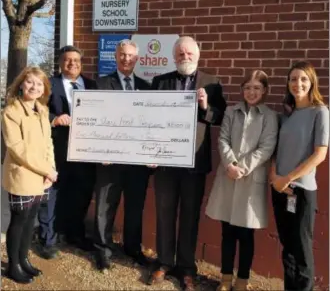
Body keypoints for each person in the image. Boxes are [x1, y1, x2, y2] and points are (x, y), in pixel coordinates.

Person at [148, 36, 227, 291]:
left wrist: (205, 106)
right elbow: (150, 119)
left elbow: (220, 117)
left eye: (189, 53)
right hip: (166, 163)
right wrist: (150, 152)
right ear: (174, 57)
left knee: (190, 216)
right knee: (165, 213)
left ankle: (186, 267)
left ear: (197, 55)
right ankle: (164, 262)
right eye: (180, 54)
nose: (185, 58)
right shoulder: (160, 82)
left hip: (194, 162)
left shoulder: (212, 82)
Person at [205, 70, 278, 291]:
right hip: (228, 177)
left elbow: (266, 148)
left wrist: (242, 168)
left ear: (264, 90)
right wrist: (230, 165)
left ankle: (242, 280)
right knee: (227, 232)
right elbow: (223, 139)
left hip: (250, 180)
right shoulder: (230, 112)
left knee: (246, 234)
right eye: (247, 87)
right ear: (242, 90)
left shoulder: (270, 116)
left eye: (257, 87)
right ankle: (225, 278)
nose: (251, 92)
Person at [93, 39, 151, 271]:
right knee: (105, 207)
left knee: (135, 206)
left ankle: (132, 248)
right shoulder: (101, 84)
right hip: (109, 160)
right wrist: (99, 150)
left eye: (130, 56)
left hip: (137, 162)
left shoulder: (147, 87)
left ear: (137, 59)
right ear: (115, 57)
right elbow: (95, 120)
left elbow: (152, 124)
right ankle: (103, 250)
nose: (126, 59)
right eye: (122, 55)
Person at [270, 61, 329, 291]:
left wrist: (287, 179)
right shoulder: (286, 116)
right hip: (279, 190)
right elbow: (276, 150)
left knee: (302, 251)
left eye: (304, 79)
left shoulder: (320, 112)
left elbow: (319, 155)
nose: (298, 83)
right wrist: (275, 177)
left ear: (312, 82)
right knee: (287, 249)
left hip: (301, 191)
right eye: (293, 79)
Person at [37, 45, 97, 259]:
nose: (72, 63)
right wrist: (54, 118)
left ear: (82, 62)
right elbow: (37, 109)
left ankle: (75, 234)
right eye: (67, 60)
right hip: (57, 151)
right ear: (60, 63)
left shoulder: (92, 85)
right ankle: (47, 239)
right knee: (51, 194)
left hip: (85, 152)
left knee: (81, 193)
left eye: (75, 60)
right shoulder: (49, 85)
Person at [2, 67, 57, 284]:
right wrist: (46, 169)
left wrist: (50, 170)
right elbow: (18, 149)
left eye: (39, 84)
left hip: (42, 176)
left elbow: (48, 144)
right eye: (30, 82)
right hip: (22, 175)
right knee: (19, 220)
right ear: (21, 84)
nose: (34, 87)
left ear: (44, 88)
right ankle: (12, 265)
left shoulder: (42, 110)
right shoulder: (11, 112)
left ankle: (23, 259)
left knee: (30, 220)